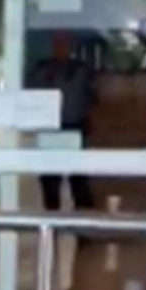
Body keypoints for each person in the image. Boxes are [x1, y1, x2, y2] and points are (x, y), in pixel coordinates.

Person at [27, 32, 96, 211]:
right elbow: (32, 96)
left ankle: (84, 225)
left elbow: (93, 98)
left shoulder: (82, 70)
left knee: (79, 184)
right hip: (50, 130)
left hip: (75, 128)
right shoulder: (42, 70)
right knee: (50, 186)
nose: (61, 47)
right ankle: (51, 224)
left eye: (65, 42)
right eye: (58, 42)